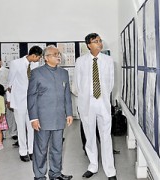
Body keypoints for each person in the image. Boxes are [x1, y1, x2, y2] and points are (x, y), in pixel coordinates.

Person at [73, 33, 117, 180]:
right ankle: (92, 166)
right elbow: (77, 84)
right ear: (88, 45)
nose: (99, 43)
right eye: (96, 41)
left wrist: (101, 96)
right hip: (87, 103)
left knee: (106, 136)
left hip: (102, 102)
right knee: (90, 135)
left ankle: (110, 171)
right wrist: (85, 97)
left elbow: (110, 83)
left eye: (100, 41)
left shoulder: (108, 60)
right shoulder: (80, 61)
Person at [27, 45, 73, 180]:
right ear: (46, 58)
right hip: (42, 118)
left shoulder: (63, 73)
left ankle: (55, 173)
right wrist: (33, 118)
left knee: (57, 148)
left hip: (59, 117)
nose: (59, 56)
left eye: (59, 54)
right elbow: (31, 96)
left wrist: (69, 113)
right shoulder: (36, 73)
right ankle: (40, 176)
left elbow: (67, 96)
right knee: (41, 149)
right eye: (55, 54)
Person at [7, 46, 42, 162]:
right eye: (39, 57)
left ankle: (31, 151)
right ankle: (23, 151)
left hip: (32, 101)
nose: (39, 60)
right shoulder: (16, 63)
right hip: (19, 101)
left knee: (32, 126)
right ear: (34, 55)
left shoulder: (36, 65)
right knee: (21, 127)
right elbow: (9, 83)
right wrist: (9, 100)